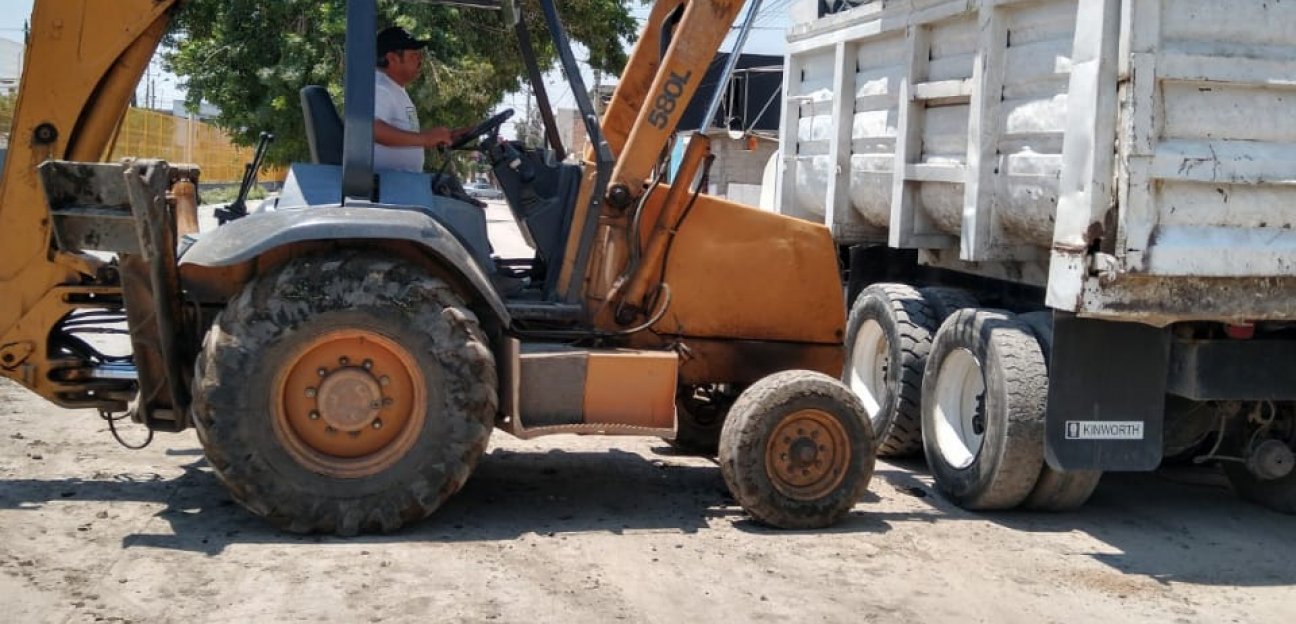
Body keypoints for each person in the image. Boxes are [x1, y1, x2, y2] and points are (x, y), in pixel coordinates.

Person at [373, 26, 466, 172]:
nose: (420, 60)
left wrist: (445, 136)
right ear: (392, 58)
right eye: (413, 55)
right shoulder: (380, 87)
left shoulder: (395, 88)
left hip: (401, 183)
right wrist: (425, 138)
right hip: (387, 186)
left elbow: (403, 132)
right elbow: (372, 129)